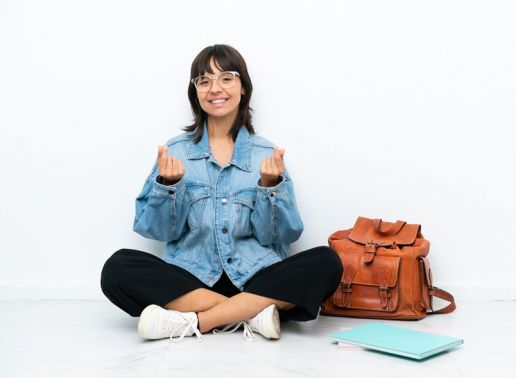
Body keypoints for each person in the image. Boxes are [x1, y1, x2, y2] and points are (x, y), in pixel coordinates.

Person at [100, 44, 343, 342]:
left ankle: (196, 322)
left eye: (226, 78)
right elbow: (157, 230)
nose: (215, 88)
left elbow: (280, 237)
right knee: (117, 268)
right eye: (204, 80)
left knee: (327, 262)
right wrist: (168, 186)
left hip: (255, 277)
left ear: (243, 88)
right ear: (196, 93)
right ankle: (252, 314)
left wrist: (270, 186)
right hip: (193, 282)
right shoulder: (175, 151)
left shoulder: (265, 153)